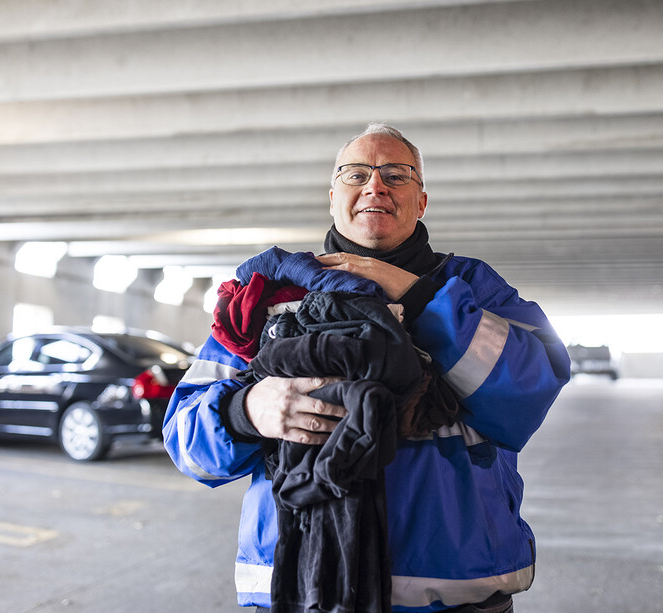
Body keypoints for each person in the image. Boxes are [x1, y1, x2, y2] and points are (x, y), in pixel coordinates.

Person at [163, 123, 571, 612]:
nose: (375, 186)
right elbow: (188, 445)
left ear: (421, 202)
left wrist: (417, 296)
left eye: (396, 175)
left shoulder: (470, 287)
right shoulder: (271, 296)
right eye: (357, 174)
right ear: (333, 197)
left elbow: (529, 391)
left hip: (454, 594)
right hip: (300, 589)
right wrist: (246, 410)